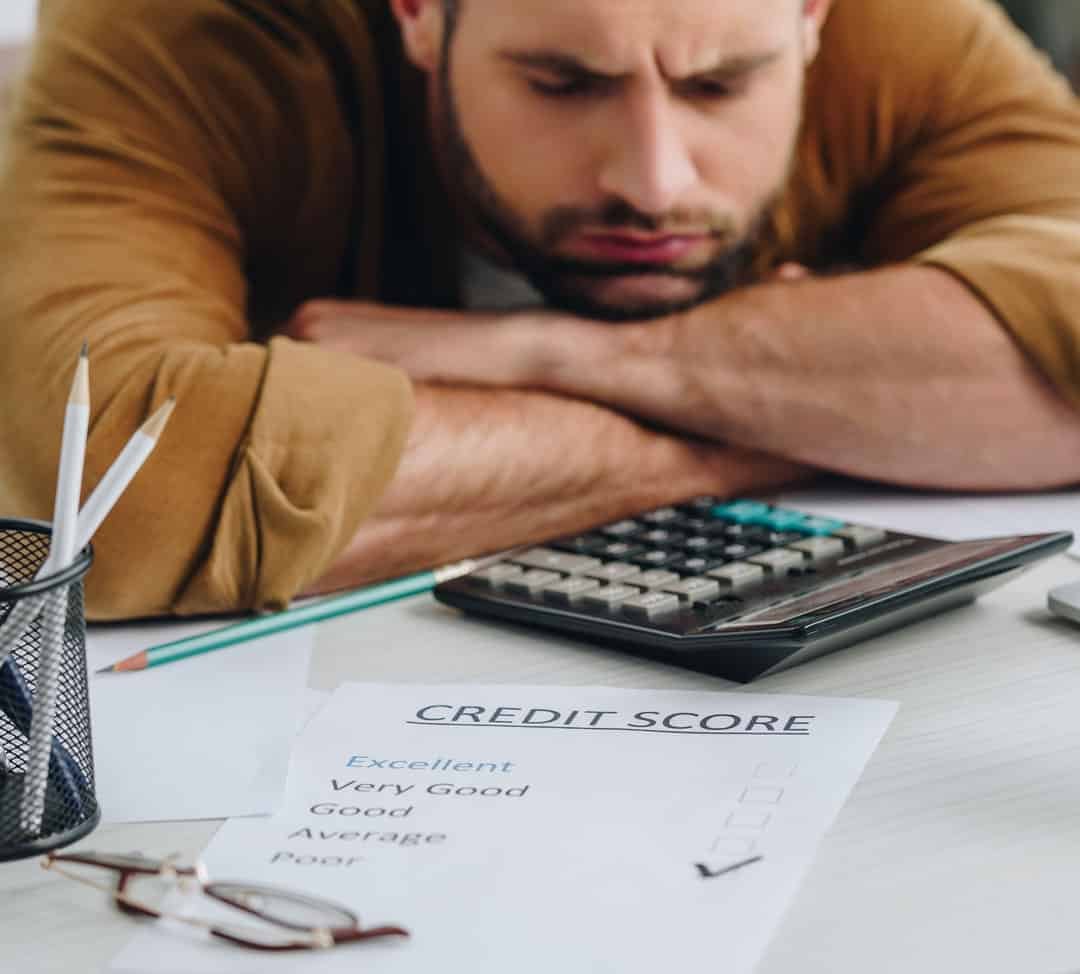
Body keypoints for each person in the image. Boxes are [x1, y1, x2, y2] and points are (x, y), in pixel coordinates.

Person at [1, 0, 1078, 620]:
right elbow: (104, 497)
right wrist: (809, 415)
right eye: (563, 84)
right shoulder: (179, 26)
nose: (653, 182)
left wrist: (546, 355)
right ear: (421, 14)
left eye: (722, 87)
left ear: (808, 17)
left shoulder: (903, 25)